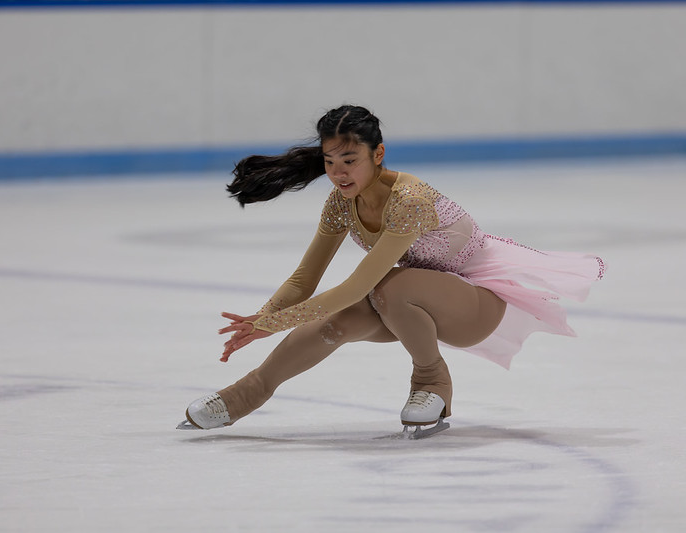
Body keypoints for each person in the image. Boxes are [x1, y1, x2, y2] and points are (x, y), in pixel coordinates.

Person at [178, 105, 605, 432]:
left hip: (476, 302)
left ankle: (432, 382)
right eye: (330, 161)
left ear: (377, 154)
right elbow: (304, 279)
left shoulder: (409, 201)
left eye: (350, 160)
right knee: (339, 323)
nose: (339, 173)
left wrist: (274, 324)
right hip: (413, 301)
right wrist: (264, 318)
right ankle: (246, 394)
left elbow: (357, 283)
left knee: (389, 285)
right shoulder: (342, 203)